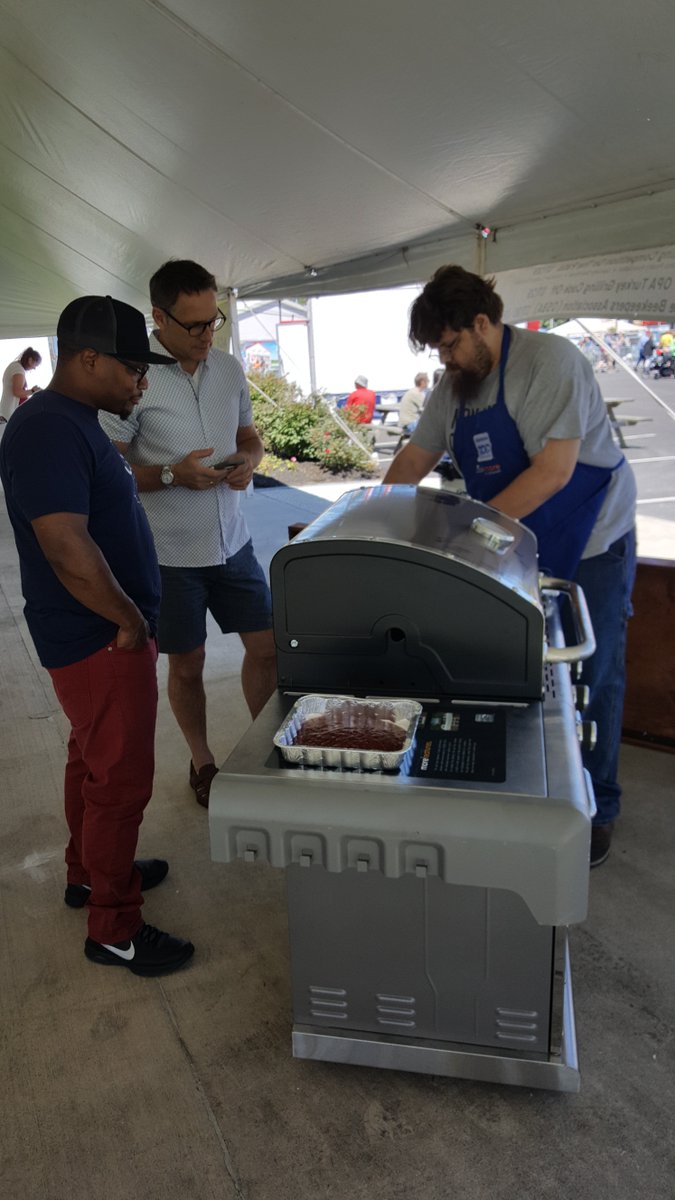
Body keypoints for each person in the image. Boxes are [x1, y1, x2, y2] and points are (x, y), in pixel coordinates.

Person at [383, 264, 637, 868]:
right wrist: (372, 518)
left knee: (592, 671)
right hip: (516, 532)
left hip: (593, 534)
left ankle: (598, 806)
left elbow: (553, 473)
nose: (444, 360)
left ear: (481, 323)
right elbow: (414, 458)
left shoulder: (550, 363)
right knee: (520, 666)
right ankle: (530, 788)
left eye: (449, 344)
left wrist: (470, 540)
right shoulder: (453, 388)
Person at [0, 295, 195, 976]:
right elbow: (64, 545)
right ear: (88, 358)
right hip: (97, 637)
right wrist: (128, 620)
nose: (142, 383)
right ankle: (115, 926)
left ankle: (87, 872)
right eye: (135, 367)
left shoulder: (69, 421)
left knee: (90, 761)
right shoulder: (48, 428)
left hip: (92, 633)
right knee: (120, 782)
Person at [99, 259, 276, 810]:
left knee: (267, 648)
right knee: (188, 662)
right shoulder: (133, 378)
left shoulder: (227, 369)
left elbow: (249, 435)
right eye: (194, 325)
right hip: (170, 552)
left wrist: (247, 459)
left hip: (235, 542)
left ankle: (269, 753)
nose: (207, 335)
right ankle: (203, 760)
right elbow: (110, 472)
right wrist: (175, 474)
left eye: (213, 320)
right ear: (159, 317)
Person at [1, 347, 42, 422]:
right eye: (35, 365)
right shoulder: (18, 369)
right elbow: (17, 392)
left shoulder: (15, 366)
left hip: (6, 412)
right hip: (8, 414)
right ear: (30, 360)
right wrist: (33, 391)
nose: (34, 368)